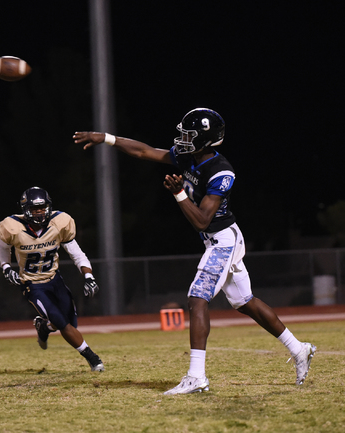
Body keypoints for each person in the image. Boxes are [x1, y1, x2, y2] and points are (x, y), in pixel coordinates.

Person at [73, 108, 316, 394]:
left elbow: (202, 219)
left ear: (204, 139)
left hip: (223, 239)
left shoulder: (221, 170)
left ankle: (196, 377)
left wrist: (179, 194)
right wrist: (106, 138)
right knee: (245, 302)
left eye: (189, 135)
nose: (182, 139)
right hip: (217, 239)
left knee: (197, 298)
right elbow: (145, 152)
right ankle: (299, 348)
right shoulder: (189, 156)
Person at [0, 186, 104, 372]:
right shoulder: (12, 226)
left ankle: (44, 327)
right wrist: (6, 267)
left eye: (42, 208)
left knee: (69, 322)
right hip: (32, 284)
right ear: (25, 210)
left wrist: (89, 276)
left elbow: (77, 254)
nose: (39, 213)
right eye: (34, 209)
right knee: (61, 321)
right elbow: (3, 247)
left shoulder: (60, 222)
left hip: (54, 280)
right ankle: (92, 358)